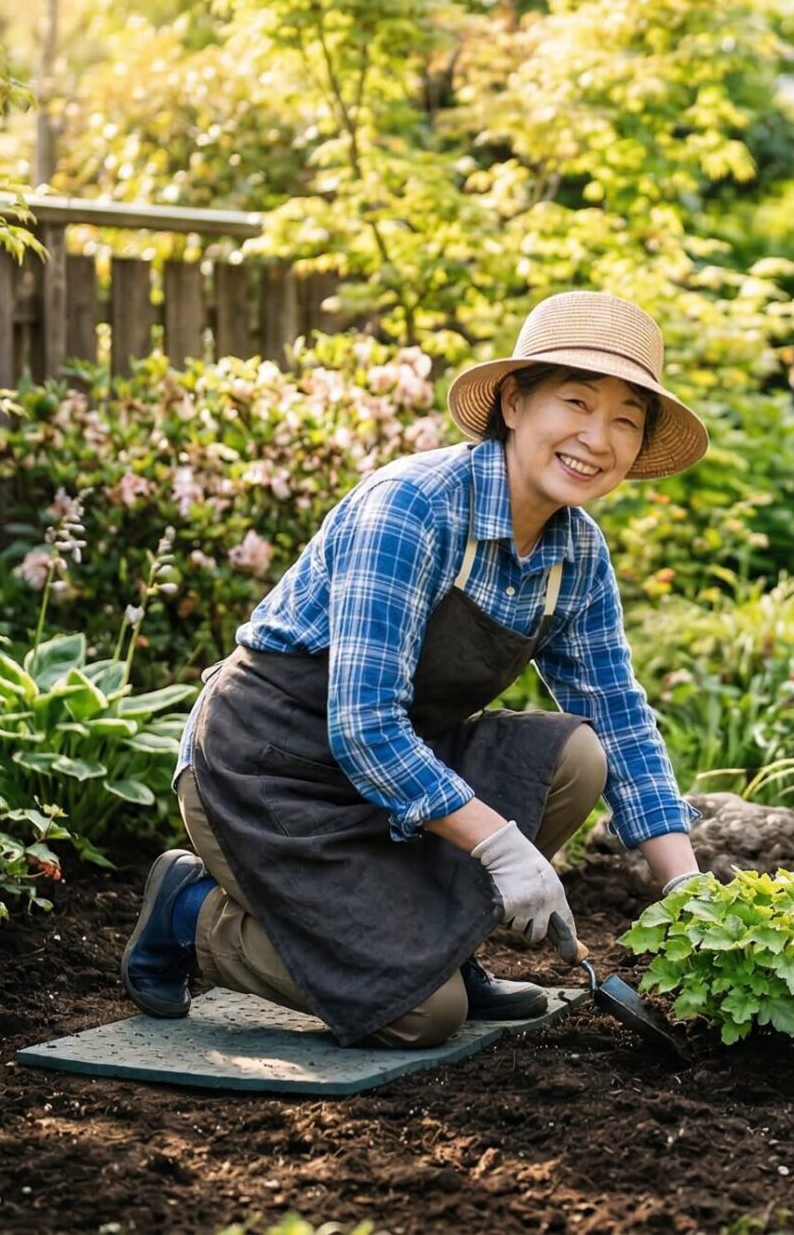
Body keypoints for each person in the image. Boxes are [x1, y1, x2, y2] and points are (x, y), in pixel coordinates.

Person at [121, 291, 706, 1049]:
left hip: (400, 775)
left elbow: (622, 720)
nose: (598, 437)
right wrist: (498, 845)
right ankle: (189, 911)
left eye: (626, 419)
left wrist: (688, 889)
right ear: (514, 402)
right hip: (268, 771)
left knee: (578, 757)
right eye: (576, 401)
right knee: (421, 1014)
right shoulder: (412, 506)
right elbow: (363, 724)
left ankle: (437, 948)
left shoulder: (578, 555)